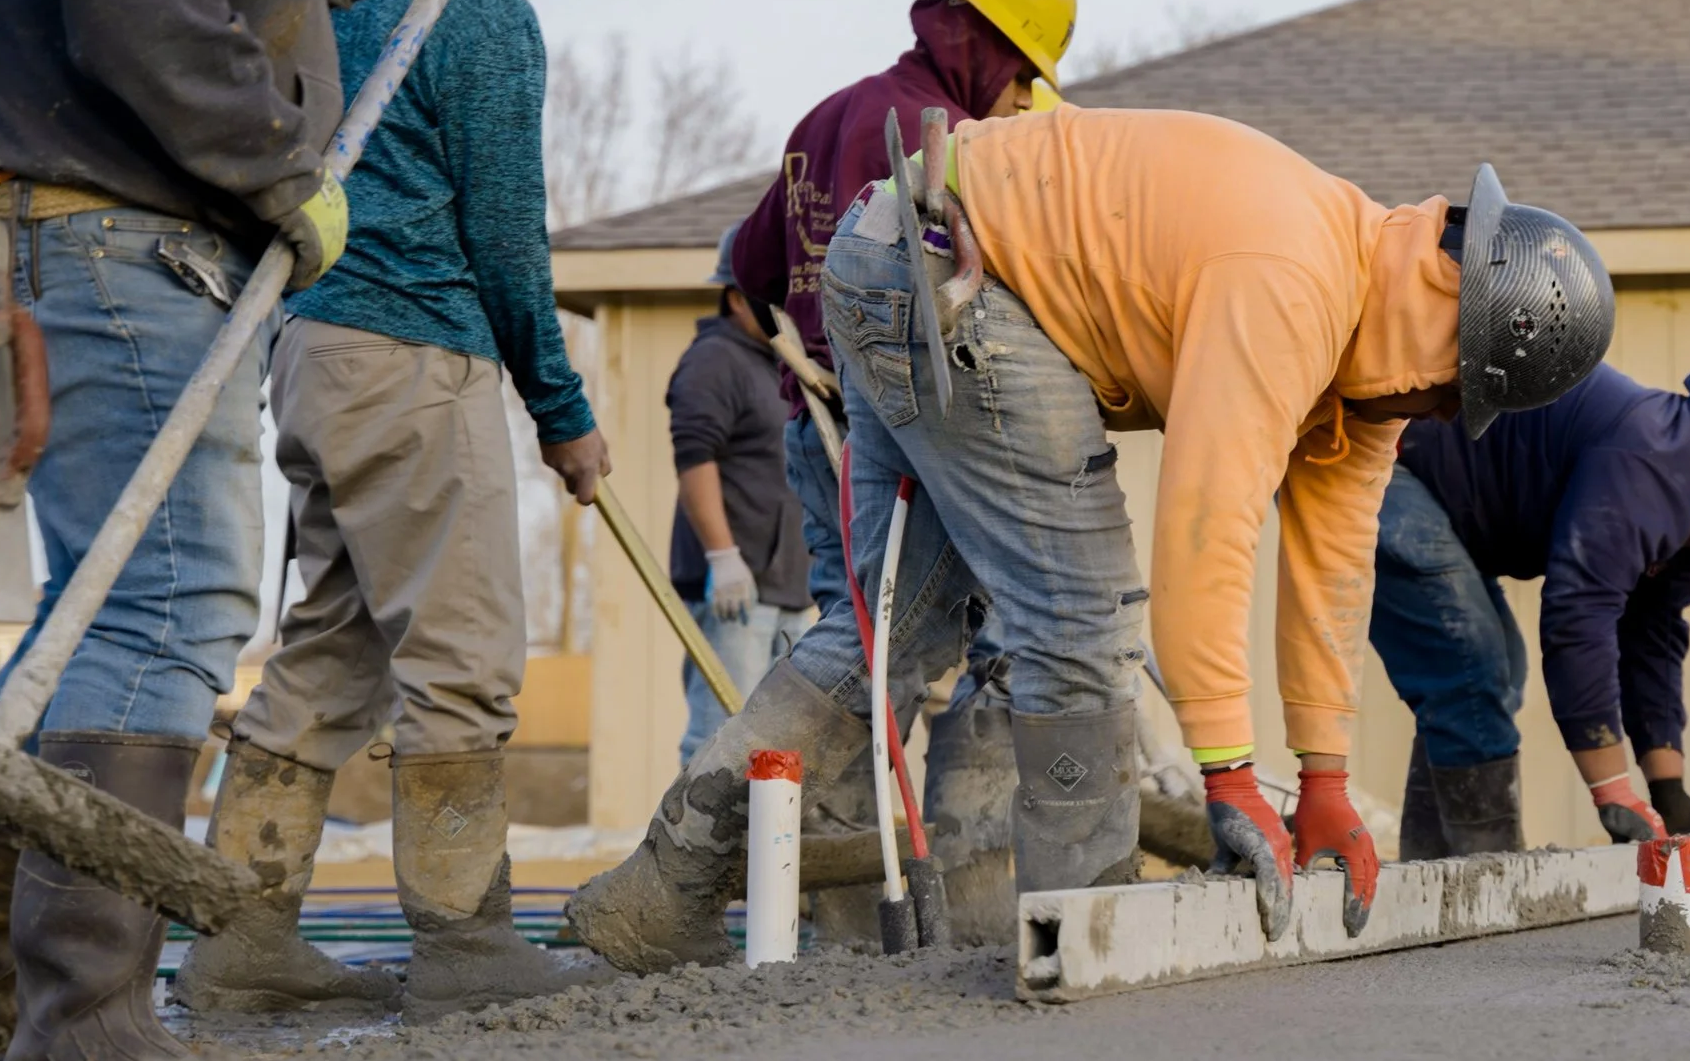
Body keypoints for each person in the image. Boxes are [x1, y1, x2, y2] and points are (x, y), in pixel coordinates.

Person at [565, 114, 1616, 970]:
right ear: (1448, 303)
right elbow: (1210, 520)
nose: (1441, 409)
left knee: (898, 629)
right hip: (954, 266)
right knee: (1081, 612)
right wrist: (1229, 768)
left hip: (897, 247)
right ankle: (1086, 929)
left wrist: (1326, 774)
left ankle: (658, 893)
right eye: (1454, 382)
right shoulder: (1293, 278)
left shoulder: (1365, 339)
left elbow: (1332, 565)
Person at [0, 0, 517, 1061]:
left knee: (97, 611)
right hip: (126, 232)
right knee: (171, 601)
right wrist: (273, 164)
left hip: (77, 223)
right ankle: (89, 1017)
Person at [172, 0, 629, 1026]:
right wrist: (562, 409)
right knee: (462, 660)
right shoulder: (477, 15)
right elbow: (507, 231)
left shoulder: (347, 9)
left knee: (333, 649)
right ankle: (467, 943)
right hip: (418, 355)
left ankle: (241, 938)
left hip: (314, 352)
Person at [723, 0, 1073, 940]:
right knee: (899, 651)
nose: (1021, 100)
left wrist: (811, 341)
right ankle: (958, 895)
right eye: (1023, 77)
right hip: (909, 446)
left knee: (862, 642)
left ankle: (825, 907)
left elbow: (745, 267)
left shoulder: (822, 119)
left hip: (816, 430)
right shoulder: (952, 142)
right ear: (990, 45)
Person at [1377, 366, 1690, 856]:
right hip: (1390, 465)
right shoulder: (1650, 456)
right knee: (1474, 667)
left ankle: (1432, 874)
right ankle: (1481, 874)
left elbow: (1653, 635)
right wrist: (1613, 790)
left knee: (1495, 675)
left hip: (1437, 496)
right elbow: (1577, 614)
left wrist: (1669, 790)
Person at [668, 227, 813, 763]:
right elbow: (694, 457)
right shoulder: (715, 359)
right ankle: (697, 848)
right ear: (735, 295)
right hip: (734, 588)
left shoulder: (779, 363)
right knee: (720, 736)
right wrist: (723, 558)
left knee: (773, 746)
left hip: (788, 589)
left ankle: (762, 850)